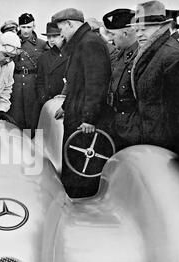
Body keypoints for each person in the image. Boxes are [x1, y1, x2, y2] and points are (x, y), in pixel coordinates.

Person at [52, 8, 112, 198]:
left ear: (70, 24)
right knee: (74, 162)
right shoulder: (83, 42)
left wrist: (89, 119)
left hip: (83, 120)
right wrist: (65, 106)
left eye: (62, 29)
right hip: (76, 112)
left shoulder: (89, 43)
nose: (61, 34)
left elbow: (96, 84)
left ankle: (81, 204)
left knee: (80, 167)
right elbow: (77, 82)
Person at [130, 1, 179, 148]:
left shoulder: (172, 56)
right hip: (151, 138)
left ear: (162, 27)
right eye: (136, 30)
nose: (139, 34)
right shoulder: (150, 52)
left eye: (145, 29)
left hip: (166, 144)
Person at [103, 8, 140, 150]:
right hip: (116, 124)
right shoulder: (120, 55)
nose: (110, 39)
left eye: (112, 34)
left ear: (125, 33)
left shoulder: (139, 57)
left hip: (131, 129)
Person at [8, 13, 47, 137]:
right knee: (16, 118)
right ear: (19, 26)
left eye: (29, 27)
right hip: (16, 85)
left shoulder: (41, 44)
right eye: (23, 27)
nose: (25, 30)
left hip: (33, 85)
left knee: (33, 118)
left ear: (34, 26)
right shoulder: (12, 42)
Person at [36, 23, 67, 108]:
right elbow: (40, 81)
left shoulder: (71, 55)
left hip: (65, 101)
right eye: (49, 37)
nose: (51, 40)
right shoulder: (43, 57)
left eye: (54, 36)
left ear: (62, 36)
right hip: (48, 102)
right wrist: (43, 98)